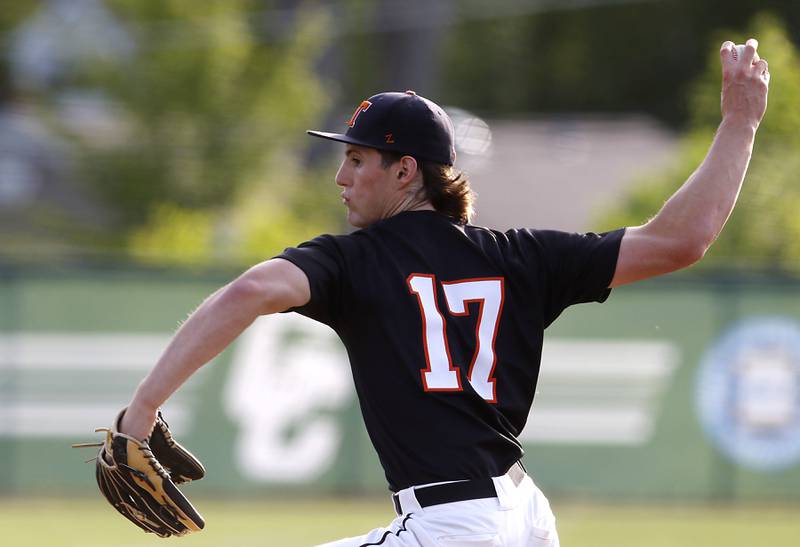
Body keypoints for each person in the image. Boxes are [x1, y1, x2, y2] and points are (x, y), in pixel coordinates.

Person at [118, 40, 769, 546]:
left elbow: (253, 288)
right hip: (525, 518)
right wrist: (740, 123)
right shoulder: (522, 256)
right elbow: (679, 241)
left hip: (451, 524)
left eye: (357, 160)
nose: (340, 177)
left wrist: (142, 409)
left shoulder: (354, 261)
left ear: (406, 172)